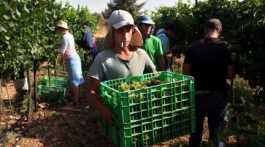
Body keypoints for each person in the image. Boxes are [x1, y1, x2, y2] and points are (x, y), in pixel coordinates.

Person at [85, 10, 156, 124]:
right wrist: (103, 109)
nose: (125, 35)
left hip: (141, 115)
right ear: (112, 33)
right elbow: (90, 91)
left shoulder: (141, 55)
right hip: (118, 118)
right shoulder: (103, 59)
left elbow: (155, 78)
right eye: (120, 30)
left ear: (133, 31)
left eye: (128, 29)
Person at [183, 18, 234, 147]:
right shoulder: (226, 47)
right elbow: (230, 75)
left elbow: (186, 74)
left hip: (197, 95)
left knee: (195, 133)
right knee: (217, 131)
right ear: (219, 30)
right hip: (218, 95)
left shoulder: (192, 48)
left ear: (205, 30)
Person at [55, 20, 84, 104]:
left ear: (61, 29)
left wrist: (59, 61)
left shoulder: (64, 37)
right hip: (76, 57)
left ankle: (76, 100)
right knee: (79, 77)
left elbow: (62, 51)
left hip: (71, 60)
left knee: (74, 80)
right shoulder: (70, 35)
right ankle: (80, 96)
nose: (57, 31)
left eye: (57, 29)